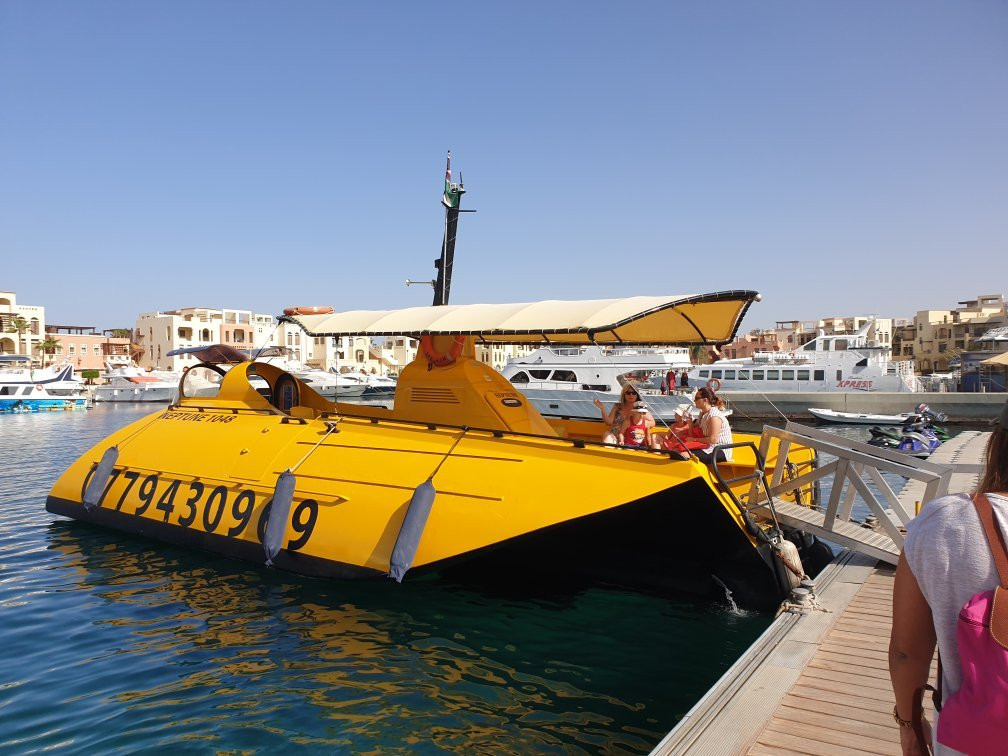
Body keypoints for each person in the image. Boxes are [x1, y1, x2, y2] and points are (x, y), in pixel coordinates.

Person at [889, 399, 1008, 755]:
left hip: (975, 740)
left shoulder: (946, 521)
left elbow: (907, 653)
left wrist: (909, 724)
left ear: (997, 443)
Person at [687, 386, 733, 462]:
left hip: (719, 449)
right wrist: (689, 421)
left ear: (705, 400)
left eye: (696, 398)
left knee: (684, 454)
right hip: (708, 446)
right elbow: (694, 429)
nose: (694, 401)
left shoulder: (714, 416)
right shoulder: (702, 413)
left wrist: (693, 440)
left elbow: (713, 440)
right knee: (680, 450)